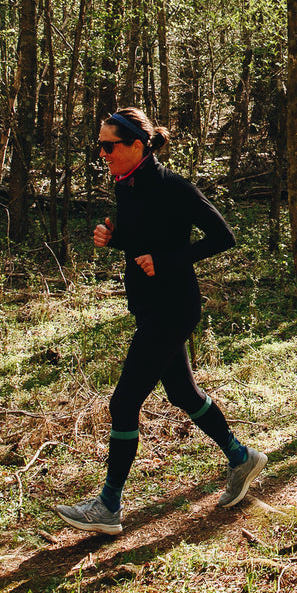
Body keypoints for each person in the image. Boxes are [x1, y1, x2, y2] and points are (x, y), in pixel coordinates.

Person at [54, 109, 267, 534]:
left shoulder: (174, 186)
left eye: (108, 145)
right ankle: (242, 458)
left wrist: (168, 260)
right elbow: (145, 238)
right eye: (100, 145)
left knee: (123, 403)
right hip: (150, 306)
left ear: (136, 145)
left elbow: (223, 237)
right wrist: (114, 238)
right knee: (184, 394)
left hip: (173, 306)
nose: (102, 153)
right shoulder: (126, 183)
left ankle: (108, 507)